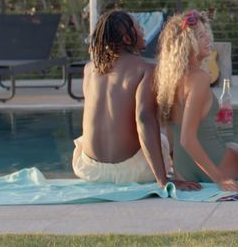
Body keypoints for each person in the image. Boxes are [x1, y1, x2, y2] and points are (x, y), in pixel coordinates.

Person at [73, 10, 197, 190]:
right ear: (127, 38)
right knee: (162, 138)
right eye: (139, 27)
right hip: (131, 173)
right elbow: (144, 121)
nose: (143, 31)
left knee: (85, 139)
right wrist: (162, 180)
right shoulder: (147, 69)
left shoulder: (89, 69)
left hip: (89, 170)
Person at [155, 10, 238, 192]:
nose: (207, 40)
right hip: (216, 165)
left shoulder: (167, 80)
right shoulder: (200, 78)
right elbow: (187, 139)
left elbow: (172, 131)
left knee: (233, 148)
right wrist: (220, 180)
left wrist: (176, 166)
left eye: (206, 34)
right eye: (200, 36)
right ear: (186, 43)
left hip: (183, 170)